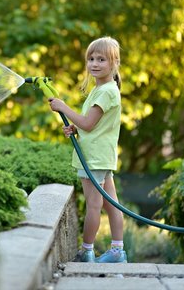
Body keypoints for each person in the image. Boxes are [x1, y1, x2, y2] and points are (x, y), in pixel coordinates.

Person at [48, 36, 127, 263]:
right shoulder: (102, 89)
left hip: (94, 158)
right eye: (91, 58)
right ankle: (117, 250)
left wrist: (64, 108)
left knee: (94, 205)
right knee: (112, 203)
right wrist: (75, 128)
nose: (94, 63)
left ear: (114, 63)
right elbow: (93, 125)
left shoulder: (105, 91)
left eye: (101, 59)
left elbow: (89, 123)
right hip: (101, 155)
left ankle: (86, 251)